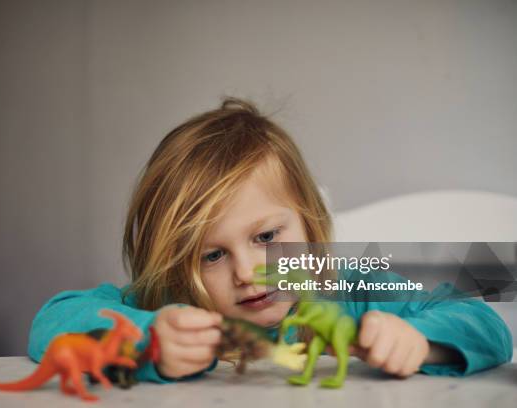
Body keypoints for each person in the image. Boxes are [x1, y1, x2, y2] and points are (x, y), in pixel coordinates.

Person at [28, 97, 513, 382]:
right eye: (212, 255)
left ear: (309, 222)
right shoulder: (170, 306)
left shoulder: (355, 290)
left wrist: (421, 343)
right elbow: (51, 321)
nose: (247, 272)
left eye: (265, 236)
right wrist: (148, 341)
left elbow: (486, 326)